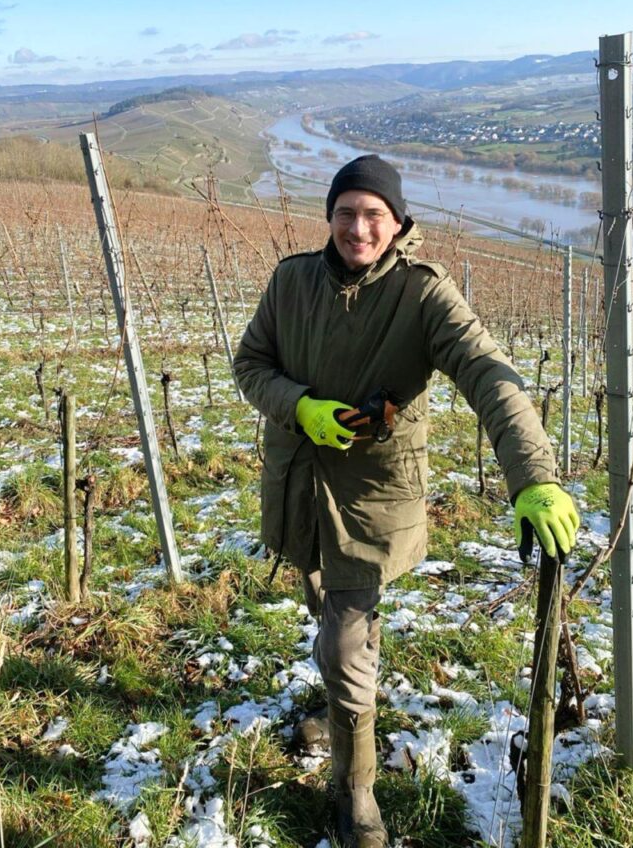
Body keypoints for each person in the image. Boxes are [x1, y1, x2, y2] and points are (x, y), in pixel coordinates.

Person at [232, 154, 579, 848]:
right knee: (330, 620)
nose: (358, 228)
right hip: (298, 486)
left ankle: (354, 790)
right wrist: (299, 409)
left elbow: (485, 372)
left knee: (341, 639)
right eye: (345, 213)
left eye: (373, 215)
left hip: (370, 499)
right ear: (329, 216)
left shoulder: (424, 294)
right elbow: (250, 365)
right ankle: (344, 708)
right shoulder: (292, 280)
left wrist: (532, 475)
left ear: (397, 222)